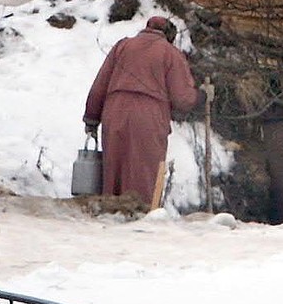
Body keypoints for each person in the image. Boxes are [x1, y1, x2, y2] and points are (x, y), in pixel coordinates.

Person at [83, 15, 199, 205]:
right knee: (144, 174)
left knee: (114, 171)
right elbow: (182, 99)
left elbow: (100, 84)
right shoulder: (170, 54)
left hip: (115, 112)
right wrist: (200, 97)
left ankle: (109, 219)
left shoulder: (122, 47)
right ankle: (142, 220)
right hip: (148, 117)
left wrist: (91, 117)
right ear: (169, 35)